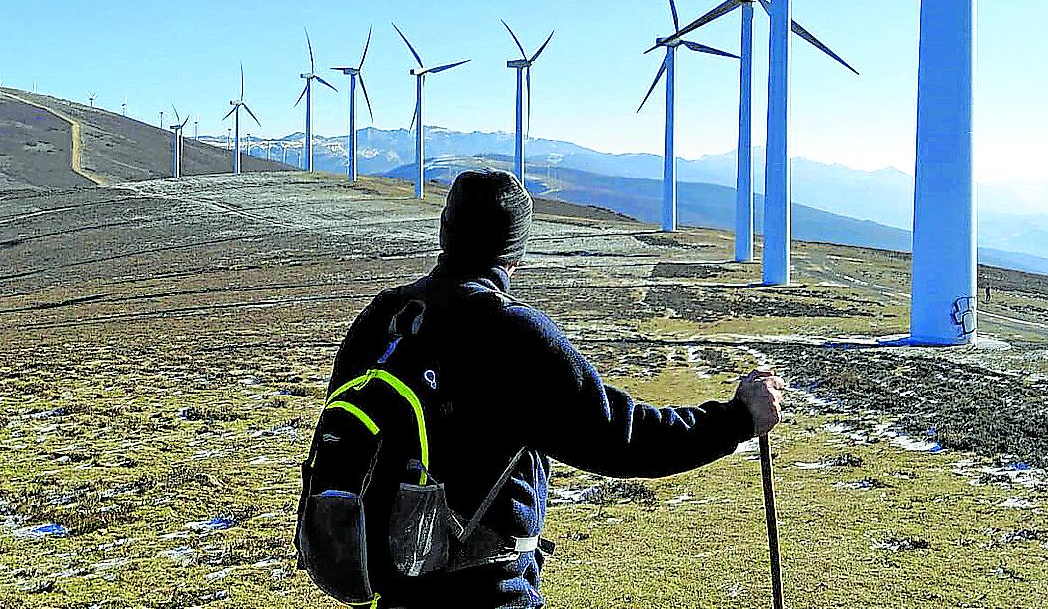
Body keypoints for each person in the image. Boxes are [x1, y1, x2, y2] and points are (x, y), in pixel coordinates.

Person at [324, 169, 785, 608]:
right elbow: (621, 440)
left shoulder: (382, 316)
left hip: (386, 583)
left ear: (445, 231)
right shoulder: (510, 332)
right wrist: (737, 418)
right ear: (516, 250)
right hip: (484, 592)